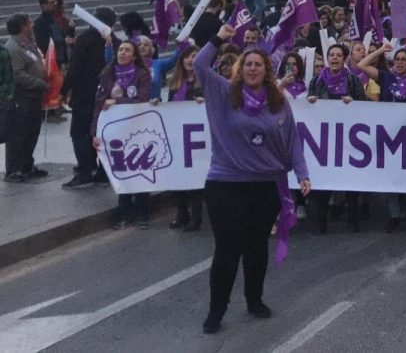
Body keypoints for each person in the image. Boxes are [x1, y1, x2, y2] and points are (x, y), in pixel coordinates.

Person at [194, 24, 311, 334]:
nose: (253, 68)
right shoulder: (222, 93)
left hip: (267, 186)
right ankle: (216, 310)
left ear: (267, 70)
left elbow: (292, 141)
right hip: (226, 184)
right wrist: (218, 37)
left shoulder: (279, 101)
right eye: (248, 63)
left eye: (259, 64)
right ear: (239, 68)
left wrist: (302, 173)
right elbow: (198, 64)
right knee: (228, 248)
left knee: (257, 246)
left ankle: (254, 299)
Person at [358, 43, 406, 231]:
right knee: (391, 177)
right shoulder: (386, 77)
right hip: (389, 136)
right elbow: (362, 66)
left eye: (403, 60)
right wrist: (382, 50)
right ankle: (394, 215)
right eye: (397, 59)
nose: (399, 63)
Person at [90, 40, 153, 228]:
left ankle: (142, 214)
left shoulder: (142, 74)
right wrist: (95, 132)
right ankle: (124, 214)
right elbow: (99, 104)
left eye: (127, 50)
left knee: (140, 171)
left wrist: (117, 102)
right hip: (116, 131)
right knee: (122, 172)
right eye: (120, 50)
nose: (122, 53)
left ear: (134, 56)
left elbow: (142, 99)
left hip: (138, 129)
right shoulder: (108, 74)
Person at [305, 43, 366, 233]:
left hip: (348, 138)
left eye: (338, 55)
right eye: (331, 55)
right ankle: (321, 221)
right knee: (323, 182)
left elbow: (365, 107)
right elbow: (308, 104)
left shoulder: (352, 80)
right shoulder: (317, 81)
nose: (334, 58)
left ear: (344, 59)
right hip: (323, 139)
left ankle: (353, 220)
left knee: (350, 181)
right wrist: (311, 102)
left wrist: (353, 103)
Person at [61, 7, 118, 189]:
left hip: (85, 94)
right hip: (107, 95)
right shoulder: (114, 40)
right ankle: (103, 172)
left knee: (79, 133)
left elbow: (75, 67)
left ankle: (85, 171)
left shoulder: (85, 39)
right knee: (101, 132)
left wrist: (64, 89)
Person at [163, 46, 206, 231]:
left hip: (197, 139)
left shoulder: (204, 82)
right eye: (187, 57)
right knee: (177, 178)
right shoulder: (176, 84)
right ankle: (182, 212)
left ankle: (196, 217)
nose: (190, 60)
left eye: (194, 57)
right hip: (178, 137)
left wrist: (203, 102)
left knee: (195, 180)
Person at [4, 14, 49, 182]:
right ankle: (13, 170)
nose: (32, 25)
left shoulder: (28, 44)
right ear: (22, 27)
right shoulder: (13, 47)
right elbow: (16, 75)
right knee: (18, 133)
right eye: (29, 23)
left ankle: (26, 165)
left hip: (33, 97)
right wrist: (40, 83)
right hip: (21, 97)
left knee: (32, 131)